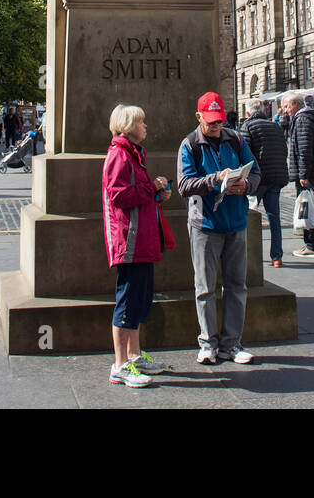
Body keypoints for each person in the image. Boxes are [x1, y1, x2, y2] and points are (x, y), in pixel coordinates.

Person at [179, 92, 260, 365]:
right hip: (205, 224)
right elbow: (184, 184)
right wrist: (215, 179)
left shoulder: (236, 140)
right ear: (198, 116)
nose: (216, 126)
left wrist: (245, 185)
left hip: (236, 222)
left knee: (237, 285)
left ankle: (231, 344)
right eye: (211, 121)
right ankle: (207, 342)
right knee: (205, 288)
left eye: (219, 121)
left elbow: (257, 173)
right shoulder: (189, 145)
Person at [103, 104, 172, 387]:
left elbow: (135, 197)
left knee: (139, 300)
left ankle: (133, 355)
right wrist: (151, 188)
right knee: (127, 302)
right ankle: (120, 365)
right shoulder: (119, 155)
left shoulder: (133, 154)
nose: (146, 126)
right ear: (128, 125)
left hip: (142, 236)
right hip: (129, 239)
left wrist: (157, 196)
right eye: (141, 122)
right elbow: (118, 196)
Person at [282, 92, 314, 257]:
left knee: (307, 206)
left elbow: (304, 149)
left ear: (296, 104)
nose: (285, 110)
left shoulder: (302, 119)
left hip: (309, 171)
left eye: (287, 106)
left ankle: (311, 245)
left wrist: (303, 174)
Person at [243, 99, 289, 268]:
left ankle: (247, 255)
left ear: (248, 113)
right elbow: (283, 149)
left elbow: (244, 154)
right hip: (276, 177)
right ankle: (277, 256)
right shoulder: (275, 126)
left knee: (247, 216)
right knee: (274, 218)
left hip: (258, 179)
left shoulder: (247, 126)